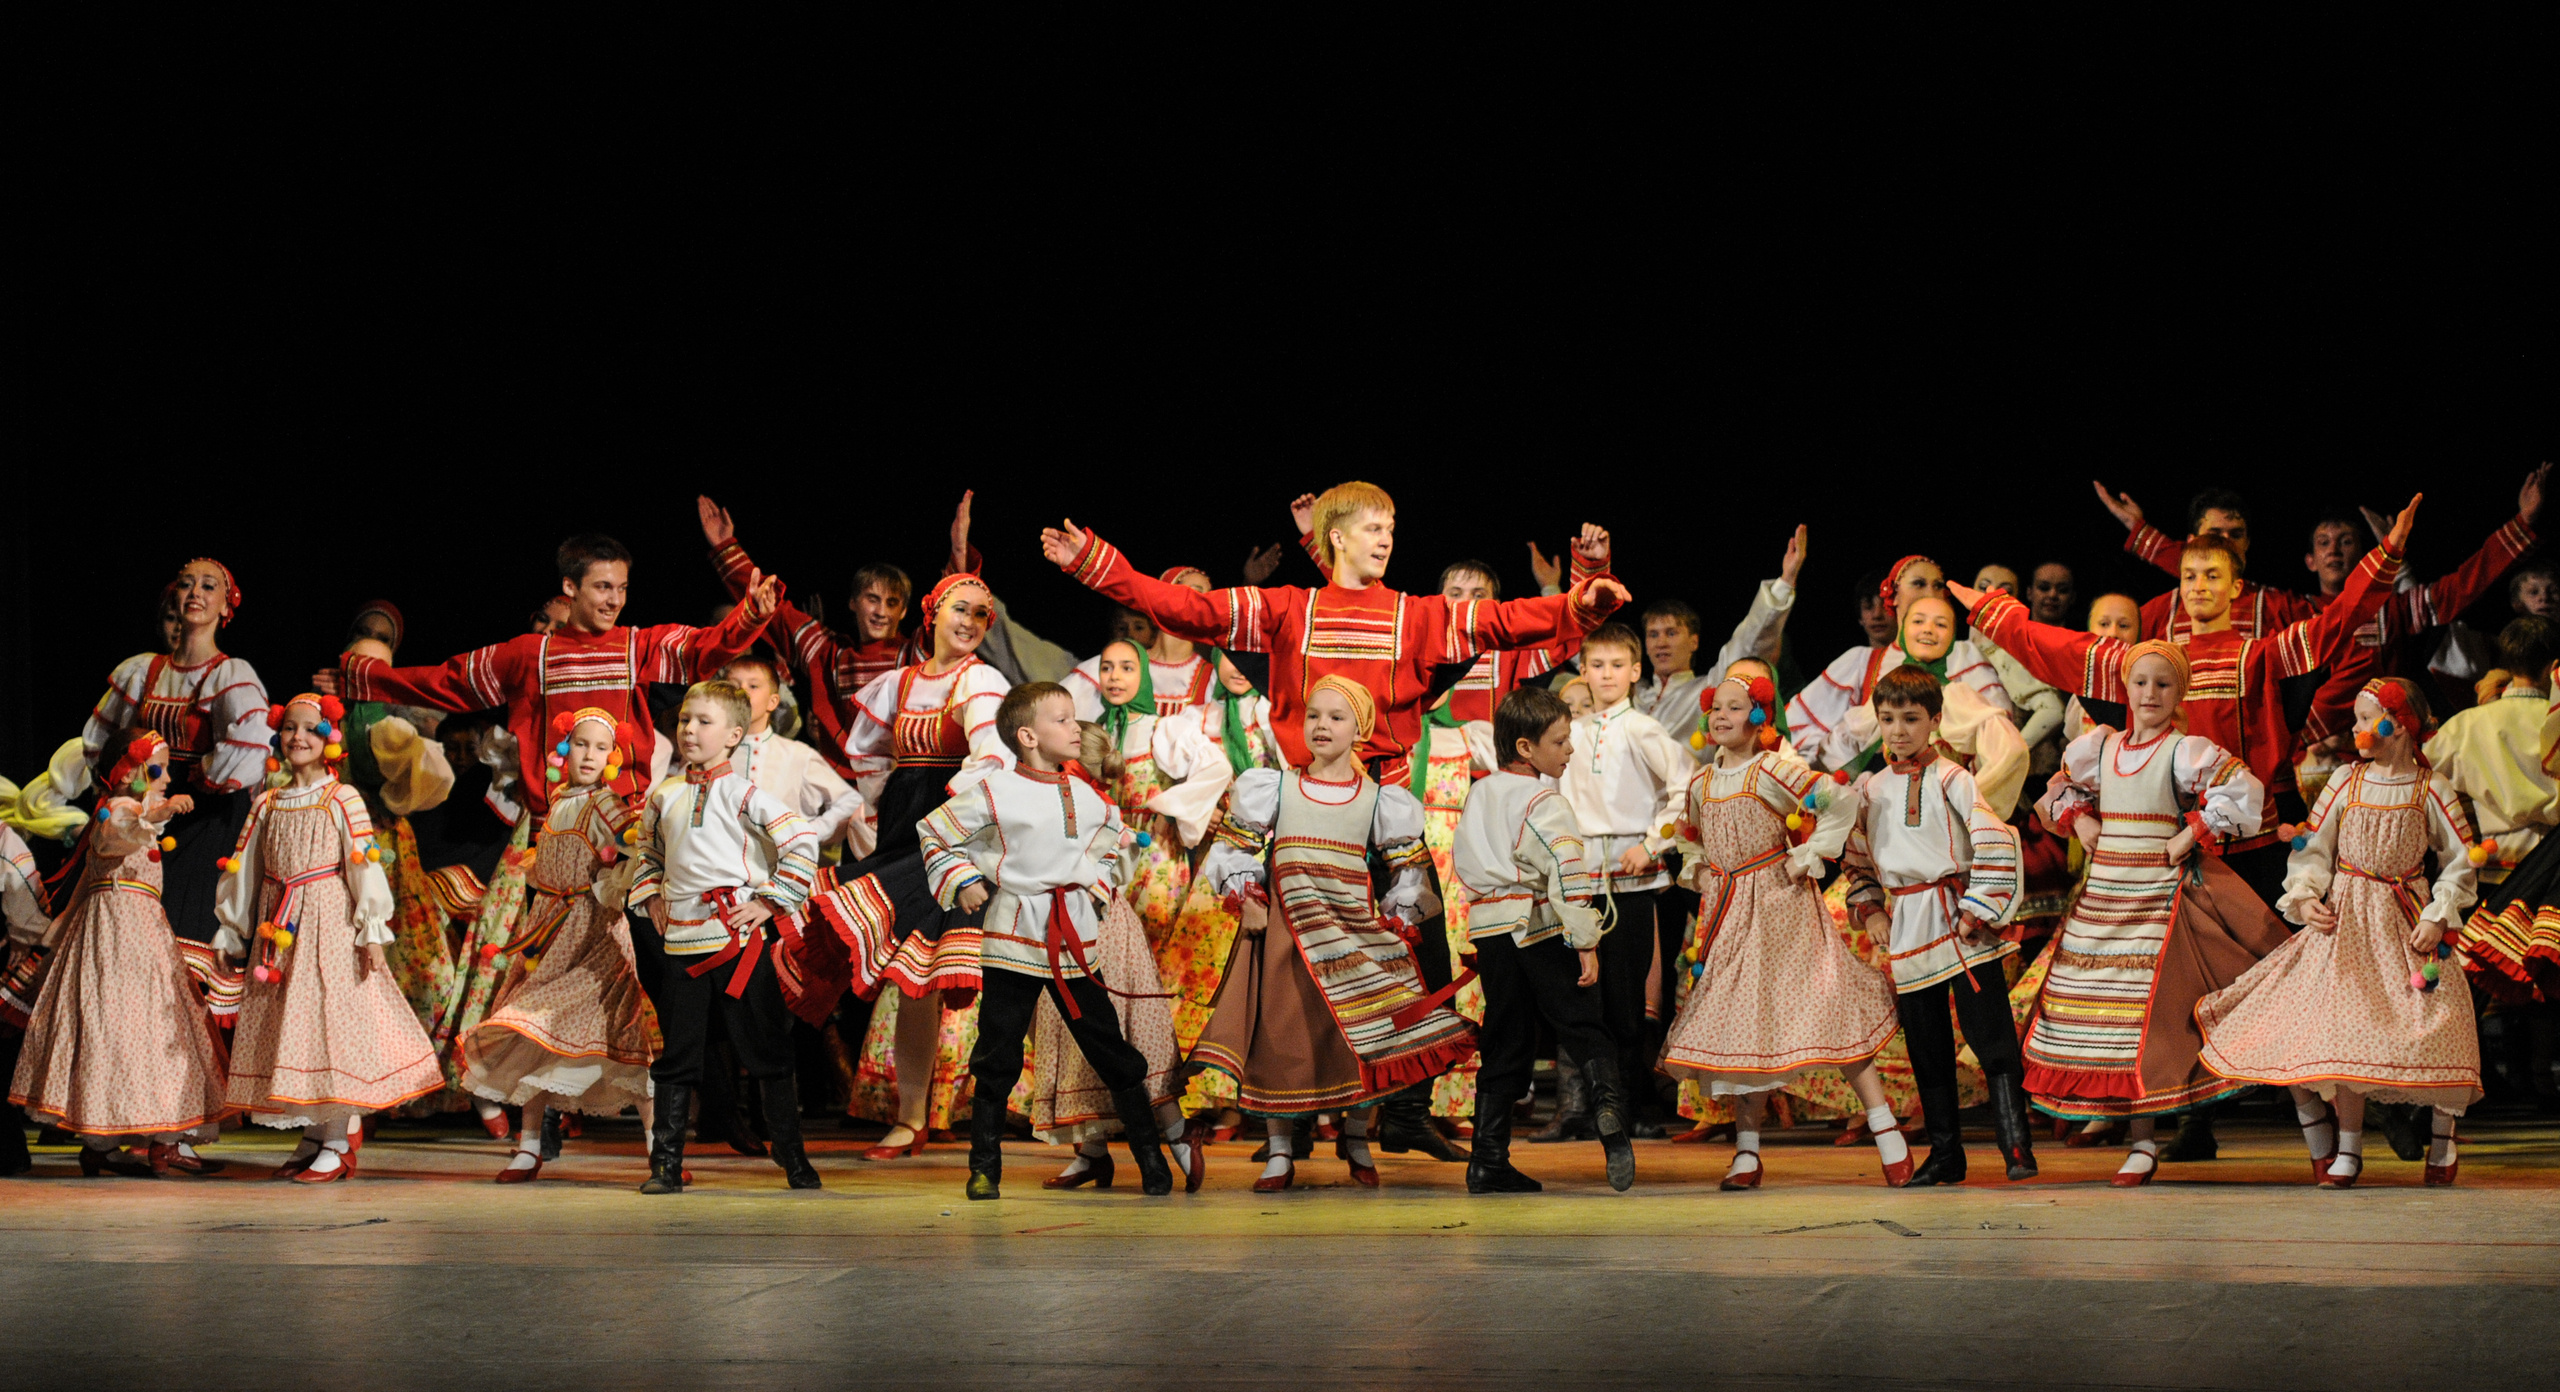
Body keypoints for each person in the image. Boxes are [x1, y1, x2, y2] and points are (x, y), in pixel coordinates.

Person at [1957, 500, 2421, 907]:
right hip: (2172, 843)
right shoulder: (2152, 664)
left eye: (2213, 576)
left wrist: (2387, 554)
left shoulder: (2259, 656)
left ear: (2236, 588)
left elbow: (2340, 619)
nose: (2199, 585)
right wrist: (1992, 613)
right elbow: (2058, 648)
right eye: (2189, 576)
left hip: (2253, 840)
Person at [2017, 643, 2291, 1186]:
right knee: (2112, 1022)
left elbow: (2243, 790)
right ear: (2126, 688)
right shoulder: (2100, 747)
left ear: (2179, 693)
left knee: (2153, 1019)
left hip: (2159, 899)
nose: (2150, 694)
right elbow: (2058, 791)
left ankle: (2311, 1122)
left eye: (2163, 685)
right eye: (2141, 682)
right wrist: (2081, 820)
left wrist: (2193, 831)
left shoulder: (2183, 751)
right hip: (2104, 900)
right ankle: (2141, 1143)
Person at [2193, 678, 2481, 1188]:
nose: (2356, 728)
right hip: (2348, 920)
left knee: (2440, 1020)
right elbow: (2314, 844)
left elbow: (2460, 859)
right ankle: (2346, 1146)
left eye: (2366, 719)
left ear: (2399, 725)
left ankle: (2443, 1137)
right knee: (2340, 1028)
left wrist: (2438, 914)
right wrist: (2306, 895)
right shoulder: (2347, 780)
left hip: (2405, 917)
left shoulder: (2429, 787)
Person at [1191, 678, 1472, 1190]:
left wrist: (1400, 918)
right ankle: (1280, 1150)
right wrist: (1247, 898)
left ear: (1360, 730)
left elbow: (1409, 871)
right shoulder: (1274, 787)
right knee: (1281, 1039)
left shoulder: (1380, 800)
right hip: (1288, 937)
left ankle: (1357, 1138)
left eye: (1336, 717)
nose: (1321, 725)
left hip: (1351, 938)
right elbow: (1232, 850)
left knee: (1363, 1038)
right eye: (1314, 715)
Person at [923, 685, 1188, 1200]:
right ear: (1028, 736)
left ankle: (1151, 1160)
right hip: (1014, 937)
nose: (1075, 728)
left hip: (1073, 940)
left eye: (1073, 718)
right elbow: (935, 832)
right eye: (1062, 720)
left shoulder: (1086, 797)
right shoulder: (996, 790)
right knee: (997, 1052)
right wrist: (963, 878)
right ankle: (983, 1168)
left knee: (1108, 1047)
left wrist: (1094, 888)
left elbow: (1110, 846)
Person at [1658, 673, 1909, 1188]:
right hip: (1730, 913)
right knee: (1744, 1027)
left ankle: (1886, 1130)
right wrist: (1699, 869)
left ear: (1758, 717)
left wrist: (1810, 854)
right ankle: (1747, 1152)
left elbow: (1838, 800)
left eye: (1734, 707)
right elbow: (1690, 836)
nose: (1722, 716)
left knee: (1831, 1006)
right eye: (1716, 708)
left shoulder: (1774, 769)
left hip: (1782, 907)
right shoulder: (1702, 782)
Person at [793, 573, 1012, 1161]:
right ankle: (912, 1117)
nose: (970, 622)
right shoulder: (902, 681)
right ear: (932, 613)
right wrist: (872, 812)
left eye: (981, 615)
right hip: (903, 828)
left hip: (955, 832)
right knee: (915, 980)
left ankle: (1008, 1113)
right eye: (960, 609)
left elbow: (991, 759)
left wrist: (954, 829)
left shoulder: (981, 681)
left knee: (981, 976)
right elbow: (871, 757)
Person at [338, 534, 779, 817]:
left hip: (621, 823)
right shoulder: (531, 655)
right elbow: (446, 681)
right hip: (551, 822)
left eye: (622, 588)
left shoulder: (635, 646)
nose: (615, 601)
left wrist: (751, 616)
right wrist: (362, 675)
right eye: (603, 587)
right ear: (570, 587)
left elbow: (702, 649)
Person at [215, 694, 444, 1183]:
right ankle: (315, 1135)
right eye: (290, 728)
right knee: (294, 1030)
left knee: (328, 1028)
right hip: (279, 928)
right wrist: (231, 929)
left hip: (328, 926)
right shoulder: (267, 801)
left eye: (309, 729)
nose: (298, 737)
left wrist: (372, 931)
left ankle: (338, 1141)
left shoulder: (341, 798)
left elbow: (364, 864)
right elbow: (244, 868)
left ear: (328, 739)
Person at [1839, 667, 2036, 1185]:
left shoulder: (1954, 778)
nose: (1898, 730)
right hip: (1908, 925)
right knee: (1927, 1046)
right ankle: (1947, 1155)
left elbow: (1994, 838)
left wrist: (1977, 908)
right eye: (1888, 719)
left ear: (1935, 720)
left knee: (1991, 1035)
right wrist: (1872, 909)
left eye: (1910, 719)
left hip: (1958, 919)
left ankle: (2016, 1147)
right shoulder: (1871, 789)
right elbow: (1856, 859)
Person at [625, 680, 823, 1193]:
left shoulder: (745, 795)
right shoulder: (664, 795)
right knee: (678, 1055)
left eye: (703, 722)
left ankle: (792, 1154)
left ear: (734, 735)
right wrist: (650, 896)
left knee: (766, 1050)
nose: (689, 730)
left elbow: (802, 839)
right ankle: (665, 1165)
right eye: (684, 719)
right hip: (682, 945)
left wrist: (769, 901)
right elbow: (648, 853)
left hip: (739, 945)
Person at [8, 730, 230, 1177]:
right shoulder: (119, 810)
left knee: (138, 1027)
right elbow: (116, 837)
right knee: (126, 1024)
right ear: (130, 773)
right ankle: (124, 1142)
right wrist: (161, 811)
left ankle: (121, 1143)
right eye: (158, 768)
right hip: (116, 929)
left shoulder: (130, 812)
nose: (166, 777)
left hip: (140, 928)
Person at [457, 709, 655, 1183]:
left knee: (625, 1042)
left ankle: (659, 1150)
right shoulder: (558, 798)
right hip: (550, 931)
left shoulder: (607, 805)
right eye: (581, 744)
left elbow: (637, 846)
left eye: (601, 748)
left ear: (612, 757)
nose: (589, 755)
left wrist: (614, 878)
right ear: (564, 749)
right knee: (536, 1040)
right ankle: (529, 1148)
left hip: (591, 936)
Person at [1453, 685, 1632, 1194]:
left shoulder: (1480, 792)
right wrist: (1585, 940)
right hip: (1539, 926)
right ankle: (1609, 1110)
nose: (1570, 749)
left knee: (1506, 1038)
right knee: (1582, 1023)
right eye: (1560, 741)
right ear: (1525, 748)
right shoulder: (1543, 800)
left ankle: (1487, 1159)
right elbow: (1567, 869)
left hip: (1492, 931)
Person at [82, 558, 269, 1022]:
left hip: (204, 815)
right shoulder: (143, 670)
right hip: (145, 814)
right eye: (186, 584)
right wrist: (123, 789)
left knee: (183, 932)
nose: (195, 593)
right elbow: (102, 741)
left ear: (226, 606)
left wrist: (200, 776)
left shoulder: (230, 674)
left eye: (209, 586)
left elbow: (251, 743)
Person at [1558, 621, 1695, 1138]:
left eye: (1617, 665)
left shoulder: (1641, 728)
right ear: (1583, 670)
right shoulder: (1571, 732)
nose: (1607, 674)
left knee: (1627, 996)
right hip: (1580, 878)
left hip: (1629, 878)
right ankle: (1594, 1107)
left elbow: (1685, 786)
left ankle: (1630, 1109)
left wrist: (1653, 844)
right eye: (1597, 665)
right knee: (1583, 994)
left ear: (1636, 671)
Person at [1788, 556, 2014, 767]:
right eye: (1919, 584)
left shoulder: (1965, 655)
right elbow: (1798, 725)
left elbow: (1998, 737)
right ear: (1893, 595)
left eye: (1938, 585)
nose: (1930, 592)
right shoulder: (1862, 661)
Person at [1634, 525, 1806, 747]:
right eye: (1653, 634)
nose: (1661, 643)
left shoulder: (1709, 690)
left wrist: (1785, 582)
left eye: (1672, 633)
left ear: (1694, 641)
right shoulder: (1632, 693)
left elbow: (1747, 644)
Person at [724, 656, 868, 859]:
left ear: (773, 701)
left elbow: (850, 802)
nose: (742, 692)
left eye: (753, 686)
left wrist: (806, 833)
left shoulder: (797, 755)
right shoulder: (712, 751)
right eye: (733, 685)